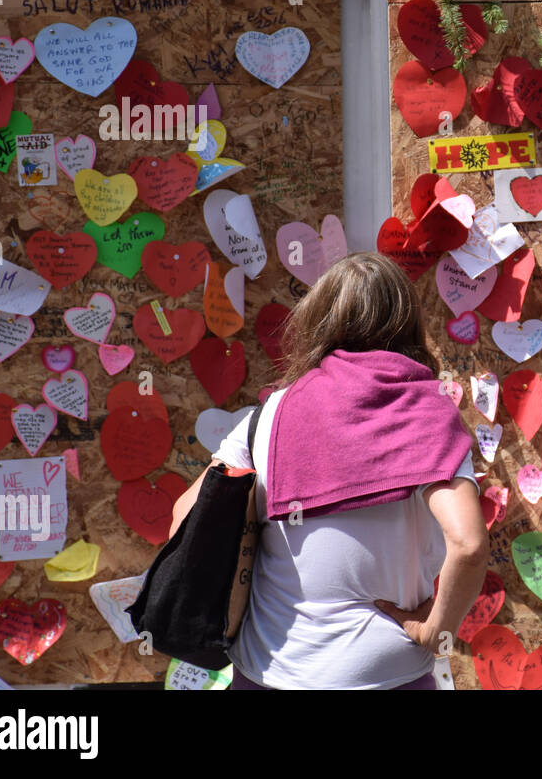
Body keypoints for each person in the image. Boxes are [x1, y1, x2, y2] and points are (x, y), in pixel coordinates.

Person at [169, 252, 488, 689]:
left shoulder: (269, 417)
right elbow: (469, 545)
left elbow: (185, 520)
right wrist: (439, 629)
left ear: (320, 321)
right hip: (386, 674)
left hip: (270, 668)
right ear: (409, 323)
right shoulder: (431, 417)